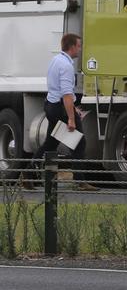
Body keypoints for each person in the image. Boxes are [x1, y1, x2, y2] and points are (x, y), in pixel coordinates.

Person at [37, 34, 88, 186]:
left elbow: (60, 91)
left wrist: (73, 107)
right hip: (60, 109)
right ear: (72, 47)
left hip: (51, 106)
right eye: (79, 46)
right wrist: (71, 118)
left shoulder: (55, 60)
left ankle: (27, 173)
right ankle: (80, 182)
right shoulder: (66, 66)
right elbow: (66, 94)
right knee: (79, 143)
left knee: (50, 144)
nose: (80, 48)